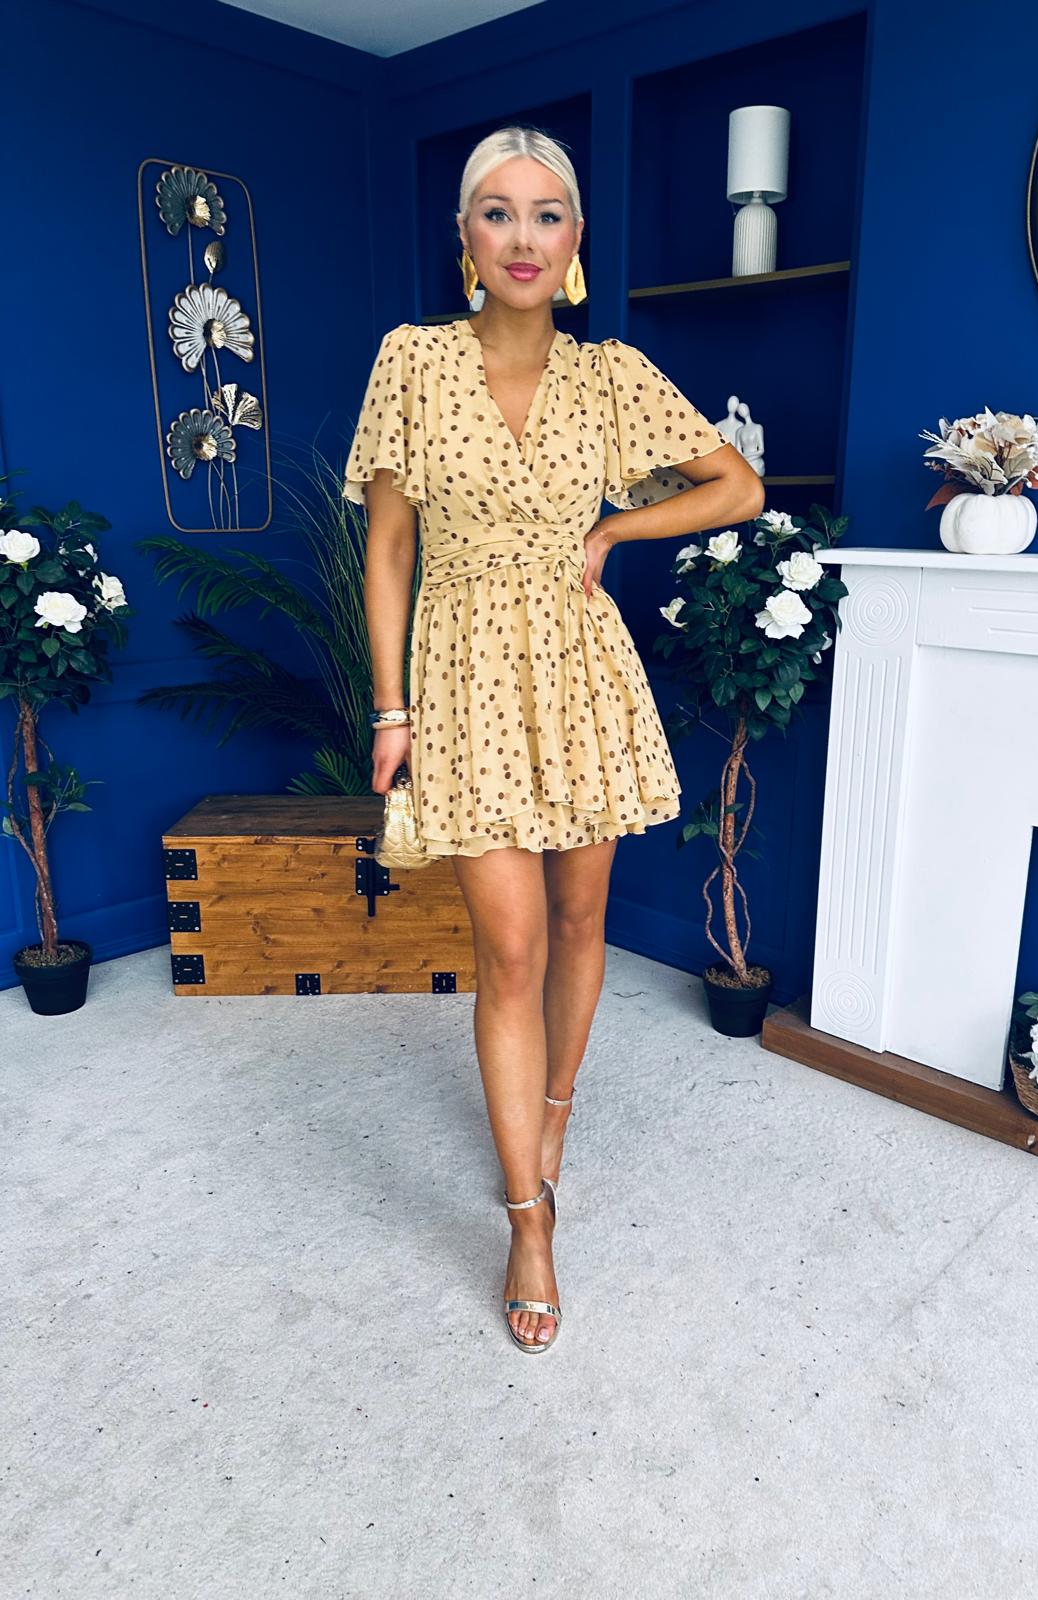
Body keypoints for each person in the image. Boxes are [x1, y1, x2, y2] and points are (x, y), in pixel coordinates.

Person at [344, 124, 764, 1355]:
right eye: (497, 212)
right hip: (463, 676)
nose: (521, 237)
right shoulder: (413, 360)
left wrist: (614, 532)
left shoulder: (613, 374)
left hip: (580, 674)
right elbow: (389, 548)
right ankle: (528, 1217)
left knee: (582, 923)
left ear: (575, 239)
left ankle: (556, 1110)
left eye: (545, 214)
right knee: (512, 947)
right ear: (464, 236)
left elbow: (737, 488)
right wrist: (391, 710)